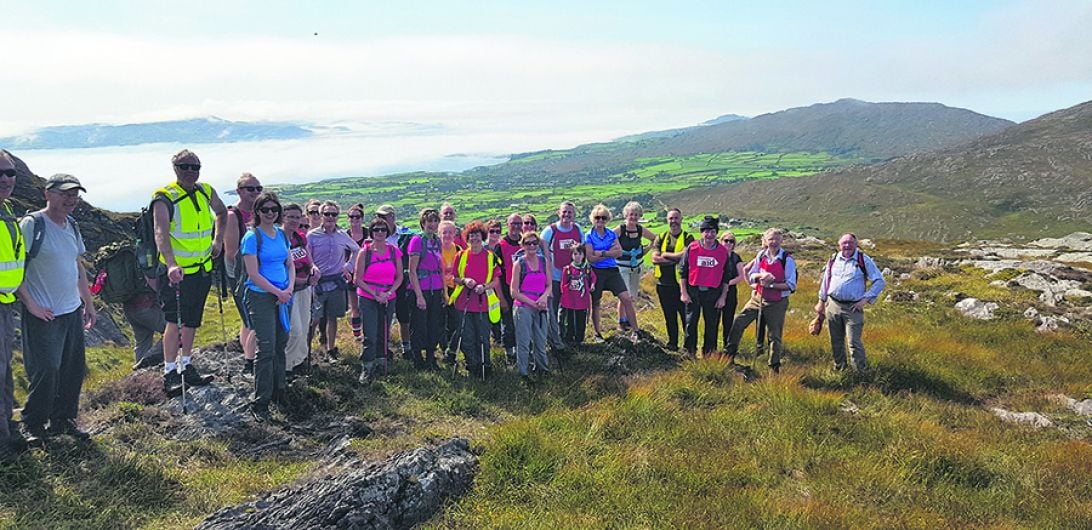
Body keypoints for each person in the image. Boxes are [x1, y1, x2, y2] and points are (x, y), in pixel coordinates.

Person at [17, 174, 97, 443]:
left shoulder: (71, 225)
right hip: (43, 313)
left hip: (71, 310)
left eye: (74, 194)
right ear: (47, 194)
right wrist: (31, 304)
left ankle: (62, 421)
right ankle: (33, 423)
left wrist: (88, 302)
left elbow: (76, 266)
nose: (70, 199)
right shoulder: (32, 225)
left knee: (73, 368)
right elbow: (15, 270)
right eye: (64, 193)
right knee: (46, 368)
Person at [153, 149, 227, 394]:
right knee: (175, 321)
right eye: (185, 166)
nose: (190, 171)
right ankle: (169, 372)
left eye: (195, 167)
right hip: (176, 273)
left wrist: (218, 242)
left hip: (201, 269)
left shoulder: (206, 191)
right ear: (175, 168)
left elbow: (222, 212)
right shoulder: (165, 197)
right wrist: (171, 263)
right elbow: (160, 232)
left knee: (192, 319)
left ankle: (186, 365)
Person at [239, 193, 293, 421]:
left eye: (274, 209)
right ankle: (260, 401)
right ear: (257, 212)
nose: (270, 213)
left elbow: (289, 263)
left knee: (281, 343)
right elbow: (253, 273)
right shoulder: (252, 237)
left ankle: (279, 391)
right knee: (267, 347)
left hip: (283, 295)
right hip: (262, 296)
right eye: (265, 209)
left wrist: (288, 289)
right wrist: (278, 292)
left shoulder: (281, 234)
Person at [725, 228, 797, 372]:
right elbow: (751, 275)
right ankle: (729, 356)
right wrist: (759, 277)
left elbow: (791, 285)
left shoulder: (787, 260)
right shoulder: (761, 255)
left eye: (776, 239)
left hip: (776, 302)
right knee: (739, 322)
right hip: (758, 298)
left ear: (781, 241)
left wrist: (771, 284)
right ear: (766, 240)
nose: (774, 242)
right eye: (770, 239)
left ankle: (773, 367)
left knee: (774, 335)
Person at [815, 233, 886, 371]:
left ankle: (860, 372)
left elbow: (879, 281)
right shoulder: (833, 259)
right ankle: (840, 368)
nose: (847, 246)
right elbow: (826, 281)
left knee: (854, 342)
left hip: (853, 308)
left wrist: (865, 299)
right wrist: (821, 301)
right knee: (836, 340)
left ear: (856, 244)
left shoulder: (863, 260)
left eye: (850, 243)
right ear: (839, 245)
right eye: (844, 243)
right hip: (833, 304)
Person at [306, 201, 359, 361]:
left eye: (333, 214)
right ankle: (305, 351)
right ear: (321, 216)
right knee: (314, 319)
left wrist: (348, 266)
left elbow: (357, 250)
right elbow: (307, 255)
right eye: (327, 214)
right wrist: (313, 267)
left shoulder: (342, 235)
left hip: (336, 283)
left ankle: (330, 349)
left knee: (332, 317)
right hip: (318, 284)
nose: (330, 217)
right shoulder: (312, 236)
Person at [0, 151, 27, 454]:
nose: (6, 179)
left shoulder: (7, 211)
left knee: (4, 368)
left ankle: (6, 426)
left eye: (10, 173)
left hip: (6, 304)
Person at [355, 218, 403, 383]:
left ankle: (381, 363)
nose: (380, 233)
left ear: (387, 232)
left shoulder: (393, 251)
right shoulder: (365, 252)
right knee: (370, 333)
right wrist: (376, 294)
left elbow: (400, 277)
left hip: (389, 296)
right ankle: (367, 367)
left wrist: (388, 292)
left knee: (384, 331)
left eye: (383, 230)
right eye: (376, 230)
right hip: (368, 296)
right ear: (371, 232)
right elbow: (358, 279)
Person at [224, 173, 263, 376]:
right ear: (239, 191)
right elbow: (231, 251)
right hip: (241, 275)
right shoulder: (233, 216)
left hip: (258, 272)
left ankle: (249, 353)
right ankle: (249, 362)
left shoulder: (259, 213)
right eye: (250, 189)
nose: (255, 192)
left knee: (248, 318)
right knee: (250, 319)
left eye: (258, 189)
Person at [450, 221, 500, 379]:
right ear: (467, 238)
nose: (475, 238)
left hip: (483, 303)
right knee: (467, 337)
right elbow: (455, 278)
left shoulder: (491, 257)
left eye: (477, 235)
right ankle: (472, 366)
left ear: (482, 237)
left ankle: (485, 365)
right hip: (463, 303)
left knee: (483, 336)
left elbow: (496, 281)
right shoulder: (461, 256)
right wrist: (465, 281)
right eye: (471, 236)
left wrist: (484, 287)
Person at [678, 216, 732, 358]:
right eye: (706, 231)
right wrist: (683, 293)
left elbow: (727, 275)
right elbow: (683, 271)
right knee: (690, 324)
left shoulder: (722, 251)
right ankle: (689, 353)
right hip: (693, 291)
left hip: (713, 293)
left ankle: (709, 354)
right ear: (702, 232)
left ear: (716, 233)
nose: (709, 235)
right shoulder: (692, 248)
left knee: (712, 325)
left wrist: (723, 297)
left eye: (712, 231)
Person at [585, 204, 639, 341]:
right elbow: (590, 257)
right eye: (597, 217)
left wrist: (602, 253)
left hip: (612, 271)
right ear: (593, 219)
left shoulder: (611, 233)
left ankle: (636, 331)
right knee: (596, 302)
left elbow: (619, 252)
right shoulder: (589, 235)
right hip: (596, 272)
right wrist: (610, 253)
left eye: (603, 217)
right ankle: (597, 334)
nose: (600, 220)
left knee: (626, 298)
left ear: (607, 219)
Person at [282, 203, 320, 376]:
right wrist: (295, 280)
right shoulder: (278, 239)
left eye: (297, 217)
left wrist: (314, 269)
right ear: (282, 217)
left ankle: (300, 362)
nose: (294, 221)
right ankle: (287, 366)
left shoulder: (300, 237)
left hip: (306, 287)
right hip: (289, 291)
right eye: (290, 216)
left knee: (304, 327)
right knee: (294, 331)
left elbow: (308, 258)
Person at [650, 208, 694, 351]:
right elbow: (654, 259)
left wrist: (666, 255)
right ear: (667, 220)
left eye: (676, 218)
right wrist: (676, 258)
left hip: (683, 285)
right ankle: (672, 343)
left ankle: (688, 347)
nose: (673, 221)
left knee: (685, 317)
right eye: (671, 218)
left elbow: (686, 256)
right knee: (669, 317)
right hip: (663, 284)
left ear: (681, 219)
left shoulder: (688, 237)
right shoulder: (661, 237)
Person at [406, 208, 445, 371]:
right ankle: (417, 359)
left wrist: (443, 292)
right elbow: (412, 270)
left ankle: (430, 357)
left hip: (435, 289)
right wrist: (419, 296)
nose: (433, 224)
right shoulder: (417, 241)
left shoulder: (437, 241)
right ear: (423, 223)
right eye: (429, 221)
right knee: (419, 325)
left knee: (433, 325)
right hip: (420, 289)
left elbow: (440, 268)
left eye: (435, 221)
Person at [542, 201, 583, 349]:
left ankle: (568, 337)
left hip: (573, 277)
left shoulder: (578, 229)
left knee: (568, 308)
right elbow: (545, 258)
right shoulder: (549, 231)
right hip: (554, 277)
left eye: (570, 212)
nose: (566, 215)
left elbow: (582, 252)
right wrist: (548, 282)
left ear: (574, 214)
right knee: (552, 309)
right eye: (564, 212)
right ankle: (552, 339)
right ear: (559, 213)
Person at [376, 204, 415, 358]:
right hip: (383, 282)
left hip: (402, 282)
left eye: (384, 217)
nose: (381, 220)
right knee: (384, 316)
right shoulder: (377, 235)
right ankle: (384, 347)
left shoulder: (406, 234)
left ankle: (407, 347)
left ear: (392, 217)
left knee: (404, 315)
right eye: (379, 217)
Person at [511, 231, 550, 383]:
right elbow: (513, 292)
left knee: (541, 341)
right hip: (523, 307)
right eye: (528, 243)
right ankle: (524, 373)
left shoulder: (544, 261)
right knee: (524, 342)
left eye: (535, 243)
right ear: (523, 245)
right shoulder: (519, 264)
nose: (532, 246)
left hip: (541, 306)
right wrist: (533, 303)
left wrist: (544, 298)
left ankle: (542, 369)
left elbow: (549, 285)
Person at [614, 201, 657, 330]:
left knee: (632, 296)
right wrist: (616, 250)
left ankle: (628, 319)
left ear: (640, 216)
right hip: (622, 266)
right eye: (631, 214)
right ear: (626, 215)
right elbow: (608, 238)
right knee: (624, 296)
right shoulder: (620, 229)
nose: (633, 217)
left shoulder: (640, 229)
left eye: (636, 214)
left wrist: (646, 250)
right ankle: (621, 321)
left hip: (637, 266)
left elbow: (654, 238)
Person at [495, 213, 523, 362]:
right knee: (508, 323)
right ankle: (510, 353)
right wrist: (501, 298)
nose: (516, 227)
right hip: (506, 290)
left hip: (524, 290)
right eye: (513, 223)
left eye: (519, 223)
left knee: (521, 322)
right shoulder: (500, 246)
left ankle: (523, 350)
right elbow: (496, 274)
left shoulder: (525, 243)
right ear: (508, 225)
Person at [560, 244, 595, 346]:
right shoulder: (568, 269)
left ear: (583, 255)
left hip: (583, 300)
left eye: (580, 254)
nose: (577, 256)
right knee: (570, 320)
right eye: (575, 254)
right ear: (571, 255)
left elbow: (593, 278)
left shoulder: (587, 268)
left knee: (581, 320)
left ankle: (579, 340)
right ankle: (569, 339)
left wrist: (592, 285)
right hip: (570, 301)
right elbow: (563, 284)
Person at [439, 220, 464, 363]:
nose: (447, 235)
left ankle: (452, 350)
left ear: (455, 234)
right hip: (440, 289)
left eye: (450, 232)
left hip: (456, 290)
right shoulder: (435, 250)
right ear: (439, 234)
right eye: (444, 232)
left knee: (457, 324)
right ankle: (444, 350)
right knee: (441, 323)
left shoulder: (459, 251)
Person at [719, 231, 747, 351]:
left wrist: (727, 283)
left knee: (728, 320)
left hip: (730, 292)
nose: (729, 243)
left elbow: (741, 276)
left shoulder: (736, 257)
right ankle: (711, 347)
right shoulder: (716, 255)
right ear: (721, 241)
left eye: (731, 241)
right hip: (715, 291)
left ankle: (727, 346)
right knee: (713, 320)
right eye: (726, 240)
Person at [346, 204, 369, 342]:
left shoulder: (368, 233)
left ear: (362, 218)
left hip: (367, 274)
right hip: (350, 274)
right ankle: (357, 336)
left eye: (357, 217)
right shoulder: (344, 235)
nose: (354, 219)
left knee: (366, 306)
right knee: (354, 306)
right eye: (352, 217)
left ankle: (368, 333)